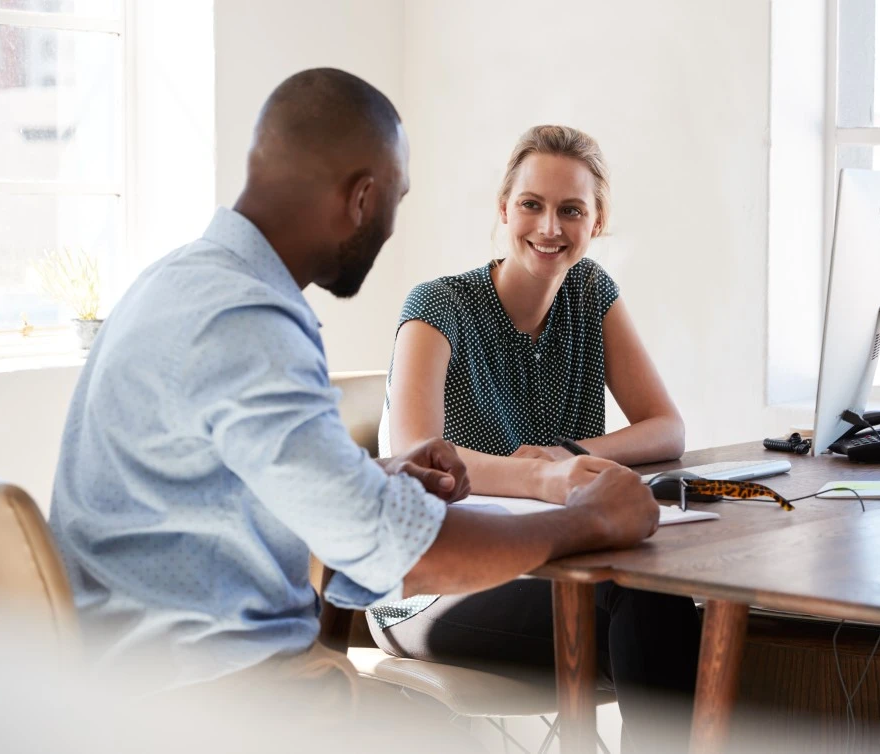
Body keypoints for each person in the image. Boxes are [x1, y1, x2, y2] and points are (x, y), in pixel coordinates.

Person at [46, 70, 659, 711]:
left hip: (156, 673)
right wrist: (588, 519)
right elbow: (403, 553)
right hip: (210, 698)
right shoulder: (248, 321)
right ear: (363, 198)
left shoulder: (179, 281)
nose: (391, 228)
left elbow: (221, 482)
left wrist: (371, 475)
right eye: (397, 198)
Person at [375, 125, 701, 752]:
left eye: (571, 210)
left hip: (551, 567)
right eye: (532, 204)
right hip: (429, 587)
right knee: (646, 610)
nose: (550, 227)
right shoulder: (438, 308)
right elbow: (416, 457)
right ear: (504, 209)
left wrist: (571, 456)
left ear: (597, 222)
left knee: (662, 598)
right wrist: (541, 478)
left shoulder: (591, 293)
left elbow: (667, 427)